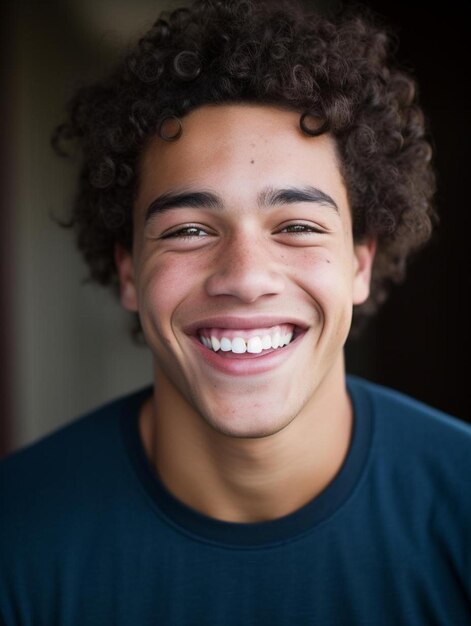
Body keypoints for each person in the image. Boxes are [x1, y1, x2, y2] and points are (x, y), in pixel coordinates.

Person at [1, 0, 470, 624]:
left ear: (359, 263)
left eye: (298, 225)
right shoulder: (14, 533)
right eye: (190, 230)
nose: (246, 277)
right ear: (128, 272)